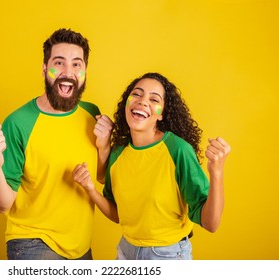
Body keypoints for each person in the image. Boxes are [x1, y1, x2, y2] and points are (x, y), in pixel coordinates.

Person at [0, 28, 113, 260]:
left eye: (76, 64)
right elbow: (2, 204)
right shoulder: (18, 123)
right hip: (33, 242)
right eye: (59, 63)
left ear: (84, 71)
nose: (68, 72)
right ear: (44, 69)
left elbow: (100, 176)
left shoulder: (92, 114)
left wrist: (104, 146)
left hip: (81, 247)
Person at [73, 72, 231, 260]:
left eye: (154, 99)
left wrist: (217, 173)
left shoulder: (177, 150)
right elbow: (119, 216)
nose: (143, 101)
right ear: (127, 103)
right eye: (137, 94)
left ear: (162, 114)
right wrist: (91, 191)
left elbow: (211, 223)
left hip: (167, 255)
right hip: (125, 251)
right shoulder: (118, 154)